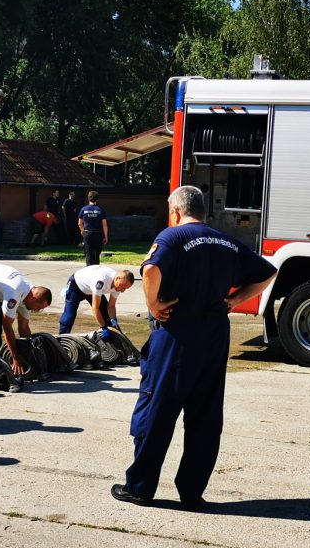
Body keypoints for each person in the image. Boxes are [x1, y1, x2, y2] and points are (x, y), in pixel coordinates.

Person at [112, 185, 276, 508]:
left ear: (175, 211)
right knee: (205, 415)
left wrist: (154, 304)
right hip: (214, 336)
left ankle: (140, 487)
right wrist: (236, 299)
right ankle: (191, 491)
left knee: (157, 409)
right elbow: (268, 272)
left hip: (177, 336)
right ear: (203, 211)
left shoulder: (171, 237)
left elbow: (150, 269)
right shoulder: (225, 241)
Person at [58, 265, 135, 334]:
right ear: (117, 278)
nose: (122, 290)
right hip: (76, 286)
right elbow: (95, 308)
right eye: (122, 287)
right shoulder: (101, 280)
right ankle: (61, 340)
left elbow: (111, 306)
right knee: (69, 317)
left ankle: (111, 341)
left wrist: (113, 319)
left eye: (125, 288)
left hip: (92, 290)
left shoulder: (119, 285)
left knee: (106, 316)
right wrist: (103, 327)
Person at [78, 190, 108, 265]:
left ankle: (89, 270)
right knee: (96, 254)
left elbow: (79, 223)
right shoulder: (100, 210)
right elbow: (104, 225)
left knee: (89, 254)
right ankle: (96, 270)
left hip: (87, 233)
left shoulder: (83, 209)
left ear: (88, 198)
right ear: (97, 199)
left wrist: (82, 231)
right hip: (98, 234)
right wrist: (106, 236)